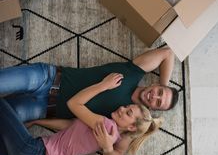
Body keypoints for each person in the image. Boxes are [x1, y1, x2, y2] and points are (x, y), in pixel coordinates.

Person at [0, 73, 162, 155]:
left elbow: (74, 104)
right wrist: (37, 121)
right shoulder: (111, 136)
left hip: (34, 153)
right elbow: (70, 127)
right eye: (127, 106)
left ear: (132, 127)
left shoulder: (106, 126)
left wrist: (103, 85)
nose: (122, 108)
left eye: (128, 112)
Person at [0, 46, 178, 123]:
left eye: (158, 102)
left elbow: (76, 126)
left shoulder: (126, 117)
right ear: (156, 84)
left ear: (153, 109)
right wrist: (165, 87)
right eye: (159, 92)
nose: (154, 96)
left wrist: (40, 121)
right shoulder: (134, 73)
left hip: (45, 108)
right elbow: (167, 54)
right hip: (48, 78)